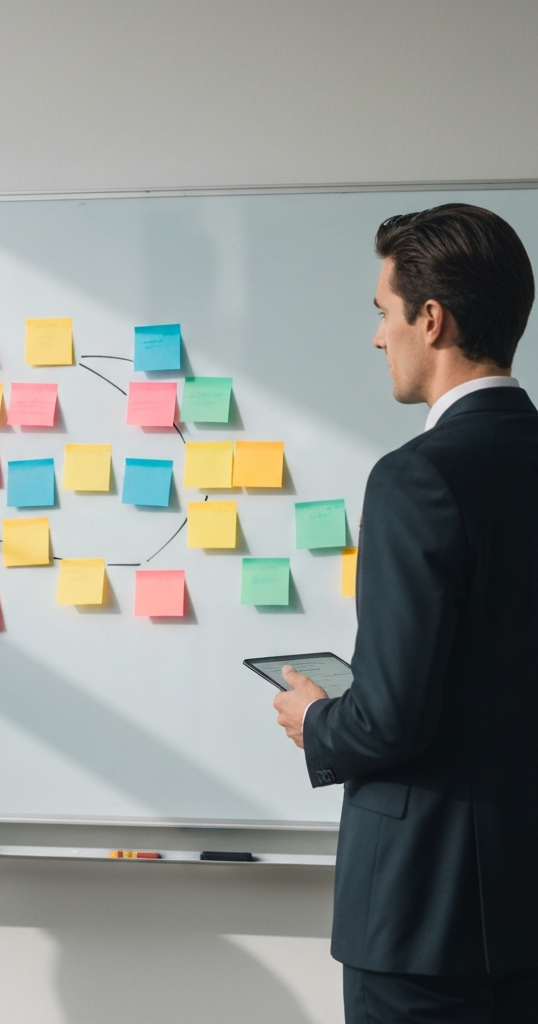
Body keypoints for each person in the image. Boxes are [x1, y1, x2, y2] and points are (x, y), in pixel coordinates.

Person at [273, 203, 538, 1022]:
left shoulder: (418, 476)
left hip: (425, 917)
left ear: (431, 318)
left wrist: (316, 721)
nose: (378, 337)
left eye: (384, 312)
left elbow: (391, 718)